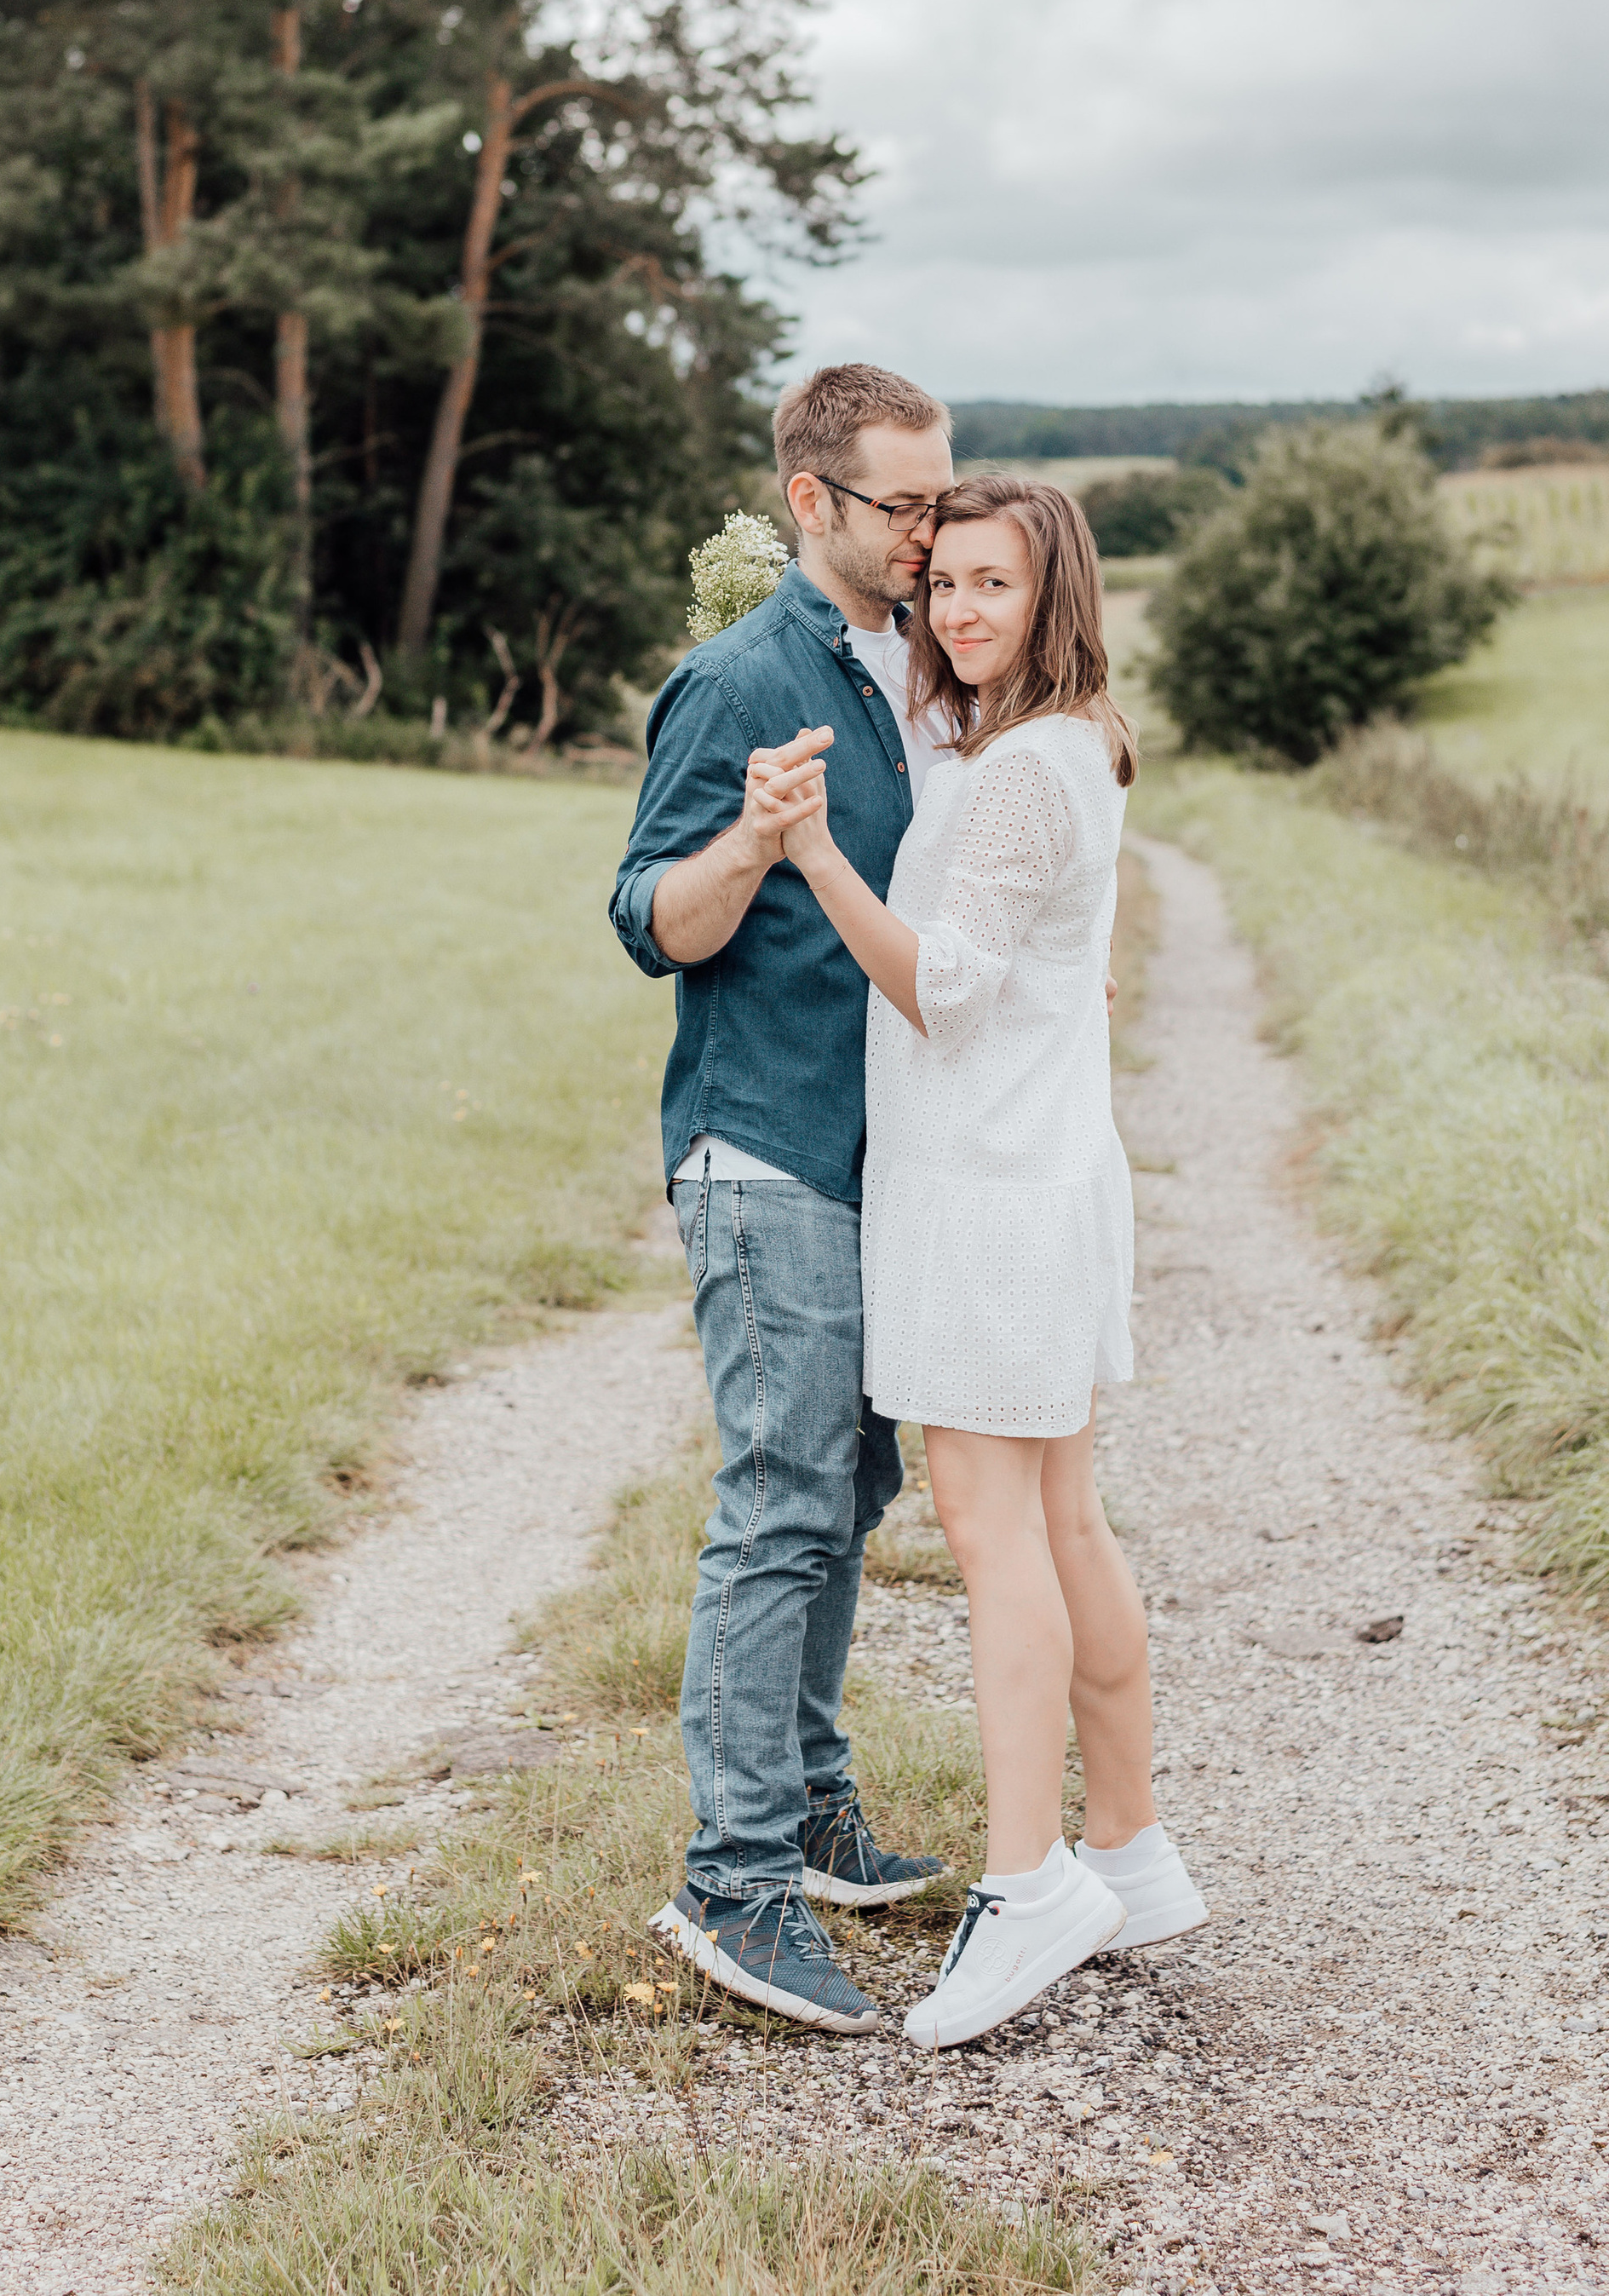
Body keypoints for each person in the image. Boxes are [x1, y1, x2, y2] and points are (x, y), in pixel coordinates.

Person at [756, 473, 1208, 2048]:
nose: (954, 607)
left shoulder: (1022, 769)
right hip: (1041, 1166)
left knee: (992, 1523)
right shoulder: (1051, 739)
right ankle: (1131, 1849)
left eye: (990, 585)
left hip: (991, 1190)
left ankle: (1027, 1890)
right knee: (1065, 1511)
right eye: (941, 580)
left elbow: (943, 983)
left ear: (1053, 592)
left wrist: (812, 853)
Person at [609, 362, 958, 2034]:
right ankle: (731, 1883)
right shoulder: (736, 679)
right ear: (811, 503)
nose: (928, 532)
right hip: (765, 1151)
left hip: (887, 1154)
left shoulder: (917, 664)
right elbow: (651, 920)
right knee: (778, 1498)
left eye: (942, 498)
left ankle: (810, 1809)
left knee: (853, 1480)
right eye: (903, 504)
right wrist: (751, 844)